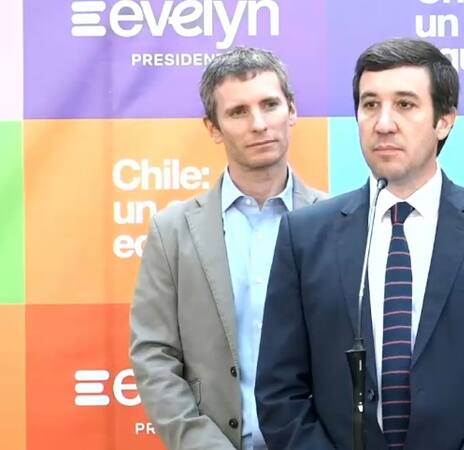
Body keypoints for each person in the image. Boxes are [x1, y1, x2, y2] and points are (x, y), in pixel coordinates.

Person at [255, 37, 464, 450]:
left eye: (405, 104)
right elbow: (279, 392)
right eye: (370, 104)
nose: (383, 124)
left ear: (444, 120)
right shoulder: (304, 235)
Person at [129, 47, 326, 450]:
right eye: (238, 112)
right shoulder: (173, 230)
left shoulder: (337, 221)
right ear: (213, 127)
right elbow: (154, 355)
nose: (259, 124)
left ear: (291, 110)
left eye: (270, 105)